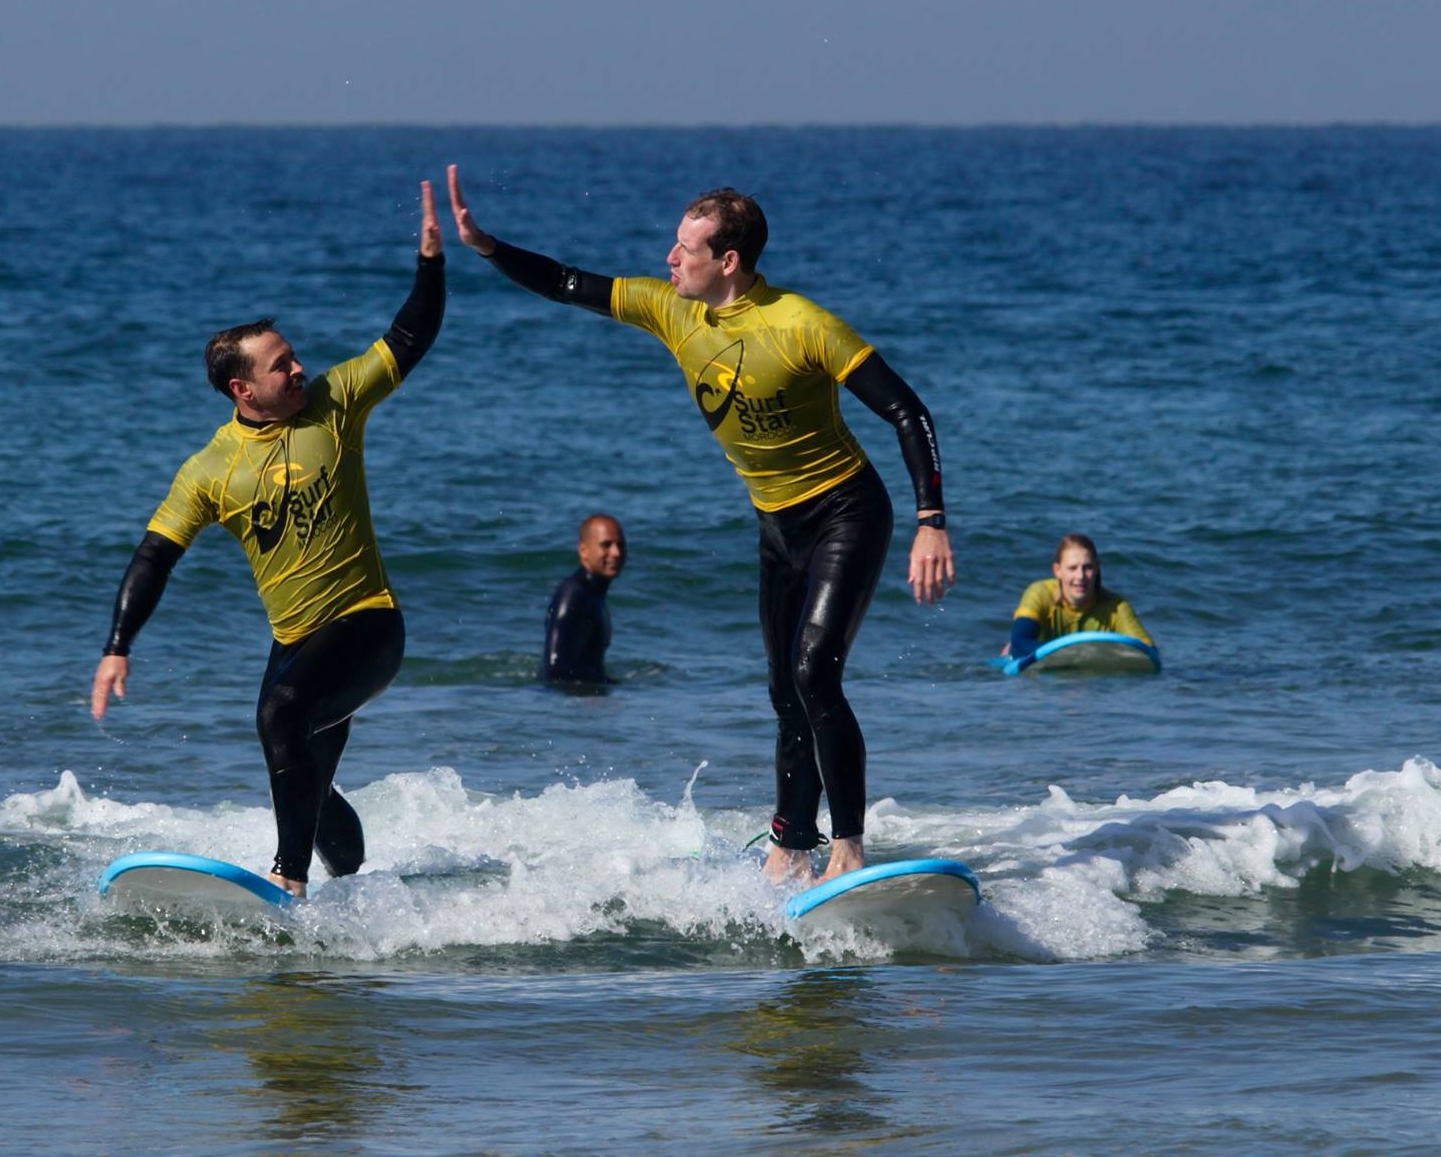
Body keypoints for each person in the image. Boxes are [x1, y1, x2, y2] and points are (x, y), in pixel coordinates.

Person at [448, 166, 953, 889]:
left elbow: (909, 410)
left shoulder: (802, 324)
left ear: (729, 261)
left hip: (845, 511)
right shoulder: (670, 309)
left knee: (816, 672)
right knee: (785, 689)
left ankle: (848, 845)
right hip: (776, 525)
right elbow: (565, 282)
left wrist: (930, 521)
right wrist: (487, 245)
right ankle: (791, 841)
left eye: (684, 248)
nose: (668, 259)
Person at [89, 182, 447, 898]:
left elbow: (408, 338)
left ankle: (290, 882)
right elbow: (156, 554)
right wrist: (117, 644)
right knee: (305, 774)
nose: (298, 367)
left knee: (279, 713)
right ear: (241, 390)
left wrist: (431, 263)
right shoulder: (210, 469)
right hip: (296, 638)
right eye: (279, 364)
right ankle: (360, 896)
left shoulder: (336, 402)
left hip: (369, 623)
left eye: (292, 355)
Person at [1005, 534, 1153, 657]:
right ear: (1057, 570)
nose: (1080, 576)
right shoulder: (1040, 593)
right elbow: (1020, 642)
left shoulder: (1117, 607)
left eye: (1087, 567)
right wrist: (1073, 656)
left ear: (1097, 568)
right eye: (1072, 568)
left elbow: (1149, 652)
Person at [542, 513, 626, 686]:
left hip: (581, 701)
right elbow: (555, 669)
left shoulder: (593, 594)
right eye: (606, 545)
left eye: (620, 545)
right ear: (583, 550)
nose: (616, 553)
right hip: (565, 703)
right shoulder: (573, 594)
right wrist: (617, 686)